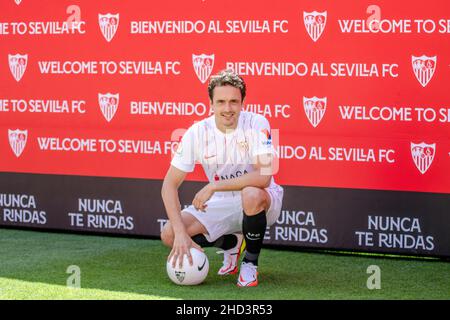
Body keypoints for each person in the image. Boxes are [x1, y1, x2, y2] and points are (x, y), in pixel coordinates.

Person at [160, 69, 284, 287]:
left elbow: (264, 177)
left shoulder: (257, 123)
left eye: (234, 101)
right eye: (221, 102)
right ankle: (232, 243)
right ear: (211, 103)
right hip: (222, 202)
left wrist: (214, 186)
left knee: (251, 194)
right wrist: (180, 234)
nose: (228, 109)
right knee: (169, 234)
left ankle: (250, 263)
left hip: (262, 199)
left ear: (243, 103)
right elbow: (169, 185)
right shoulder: (197, 132)